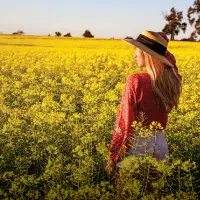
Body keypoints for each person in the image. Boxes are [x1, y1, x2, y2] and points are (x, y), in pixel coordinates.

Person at [105, 30, 182, 198]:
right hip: (160, 144)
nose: (134, 55)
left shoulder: (135, 80)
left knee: (124, 196)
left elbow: (125, 122)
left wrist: (114, 155)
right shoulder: (172, 81)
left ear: (146, 54)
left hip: (136, 145)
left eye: (137, 50)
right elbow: (172, 66)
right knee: (155, 196)